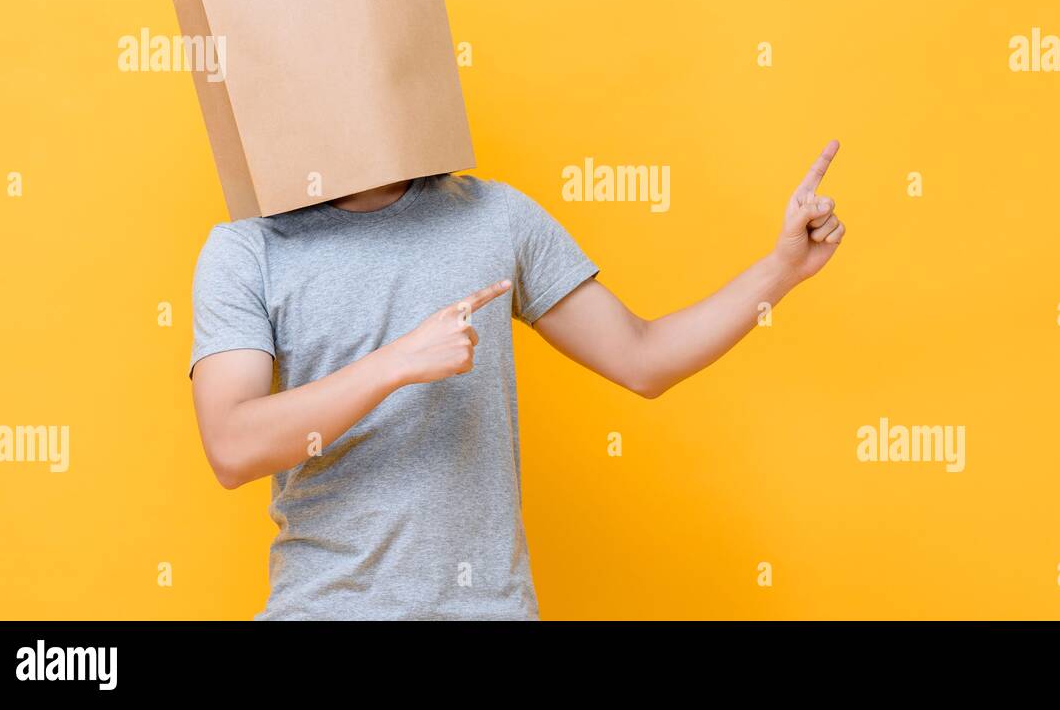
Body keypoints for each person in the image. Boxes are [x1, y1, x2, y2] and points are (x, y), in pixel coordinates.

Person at [189, 140, 846, 619]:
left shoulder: (496, 217)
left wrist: (782, 268)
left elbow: (644, 358)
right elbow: (232, 444)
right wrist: (395, 362)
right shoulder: (249, 247)